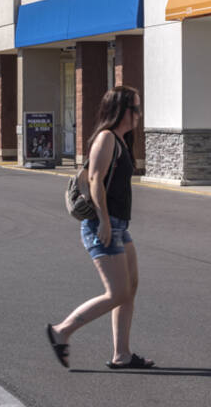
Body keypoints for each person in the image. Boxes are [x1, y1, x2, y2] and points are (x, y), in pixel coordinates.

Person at [45, 85, 153, 370]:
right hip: (102, 225)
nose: (139, 115)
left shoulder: (119, 139)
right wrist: (104, 220)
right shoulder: (106, 138)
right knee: (117, 292)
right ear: (121, 111)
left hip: (118, 225)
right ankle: (61, 331)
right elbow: (95, 179)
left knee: (129, 288)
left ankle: (122, 355)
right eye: (135, 109)